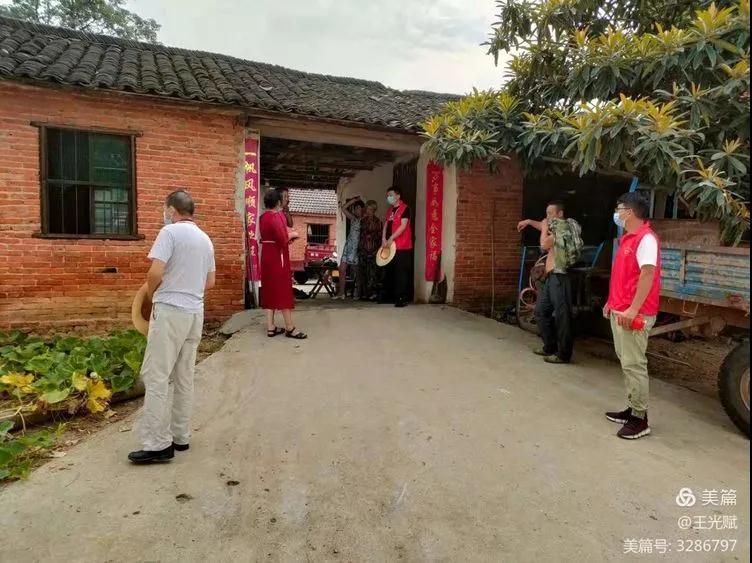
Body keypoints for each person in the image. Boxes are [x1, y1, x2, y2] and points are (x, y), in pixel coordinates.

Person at [128, 190, 215, 464]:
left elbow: (155, 272)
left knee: (156, 376)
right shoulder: (205, 239)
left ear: (171, 210)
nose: (165, 214)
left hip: (170, 312)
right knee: (184, 376)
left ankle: (157, 444)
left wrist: (154, 294)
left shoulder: (169, 233)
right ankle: (181, 436)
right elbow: (210, 282)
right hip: (195, 313)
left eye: (165, 210)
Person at [604, 192, 661, 440]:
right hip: (621, 310)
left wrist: (633, 309)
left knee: (634, 364)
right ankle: (632, 407)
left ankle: (640, 418)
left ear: (629, 212)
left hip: (634, 313)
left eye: (619, 208)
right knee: (626, 361)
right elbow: (624, 277)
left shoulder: (646, 239)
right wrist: (611, 302)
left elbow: (647, 275)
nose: (617, 213)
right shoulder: (629, 239)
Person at [518, 201, 582, 364]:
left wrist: (545, 227)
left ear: (560, 214)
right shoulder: (555, 227)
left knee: (562, 316)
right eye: (546, 213)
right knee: (540, 311)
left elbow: (544, 244)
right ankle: (550, 346)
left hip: (560, 276)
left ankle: (563, 354)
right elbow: (542, 225)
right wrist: (529, 222)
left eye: (550, 213)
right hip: (551, 276)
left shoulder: (563, 229)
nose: (547, 217)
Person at [259, 188, 307, 340]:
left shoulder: (262, 217)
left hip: (266, 255)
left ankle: (270, 326)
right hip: (277, 256)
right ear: (278, 202)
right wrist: (293, 235)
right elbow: (282, 238)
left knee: (269, 289)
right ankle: (290, 327)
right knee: (283, 290)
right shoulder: (276, 216)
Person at [381, 187, 413, 307]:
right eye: (387, 195)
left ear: (398, 196)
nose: (388, 197)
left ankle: (401, 298)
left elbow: (403, 226)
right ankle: (390, 296)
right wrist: (383, 238)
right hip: (389, 245)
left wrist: (392, 237)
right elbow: (386, 225)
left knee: (401, 272)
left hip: (402, 246)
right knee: (390, 271)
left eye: (391, 195)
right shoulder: (390, 210)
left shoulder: (405, 208)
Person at [335, 197, 364, 300]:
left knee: (358, 272)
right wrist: (354, 200)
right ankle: (341, 293)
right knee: (341, 269)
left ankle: (359, 293)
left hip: (356, 249)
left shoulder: (364, 220)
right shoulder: (353, 219)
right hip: (348, 247)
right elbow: (343, 208)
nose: (357, 210)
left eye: (359, 208)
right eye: (356, 208)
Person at [358, 200, 383, 301]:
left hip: (374, 249)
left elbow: (380, 237)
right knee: (363, 272)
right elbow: (360, 236)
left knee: (373, 272)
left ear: (374, 210)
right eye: (367, 209)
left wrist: (377, 250)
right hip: (363, 249)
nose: (368, 211)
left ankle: (373, 293)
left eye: (370, 209)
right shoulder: (362, 221)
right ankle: (365, 293)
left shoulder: (378, 222)